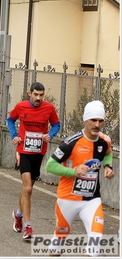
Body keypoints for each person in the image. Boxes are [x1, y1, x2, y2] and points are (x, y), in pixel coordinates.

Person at [45, 100, 114, 256]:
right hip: (67, 199)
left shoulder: (105, 141)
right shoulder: (70, 143)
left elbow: (108, 153)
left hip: (92, 200)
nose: (97, 124)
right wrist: (73, 172)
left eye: (101, 120)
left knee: (96, 239)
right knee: (59, 241)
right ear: (85, 120)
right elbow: (50, 165)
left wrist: (108, 167)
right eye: (93, 120)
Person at [6, 82, 60, 240]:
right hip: (23, 151)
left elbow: (56, 124)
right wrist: (14, 135)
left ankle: (18, 214)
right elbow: (10, 119)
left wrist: (51, 135)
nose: (38, 98)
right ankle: (28, 227)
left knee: (27, 189)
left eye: (41, 95)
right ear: (29, 93)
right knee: (28, 188)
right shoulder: (21, 106)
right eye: (35, 94)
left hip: (39, 152)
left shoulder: (48, 108)